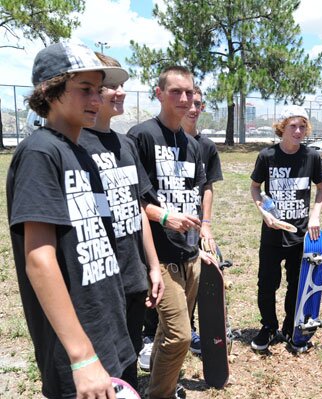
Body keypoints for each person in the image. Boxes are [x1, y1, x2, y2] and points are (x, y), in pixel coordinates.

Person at [6, 42, 133, 398]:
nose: (97, 98)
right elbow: (39, 259)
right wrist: (81, 357)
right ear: (50, 91)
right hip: (77, 350)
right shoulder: (40, 152)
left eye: (99, 89)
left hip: (107, 331)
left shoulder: (81, 153)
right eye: (84, 89)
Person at [127, 65, 216, 399]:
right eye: (176, 91)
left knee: (171, 332)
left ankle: (165, 383)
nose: (184, 98)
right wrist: (164, 217)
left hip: (188, 254)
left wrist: (200, 243)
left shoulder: (192, 146)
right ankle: (159, 393)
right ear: (159, 93)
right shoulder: (142, 136)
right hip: (158, 254)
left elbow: (194, 200)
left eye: (189, 92)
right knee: (179, 334)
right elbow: (132, 202)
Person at [78, 53, 165, 391]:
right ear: (92, 93)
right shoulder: (72, 145)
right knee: (100, 368)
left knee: (128, 362)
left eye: (122, 86)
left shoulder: (125, 144)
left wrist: (153, 266)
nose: (121, 93)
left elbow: (138, 207)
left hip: (132, 276)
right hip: (97, 282)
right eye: (112, 86)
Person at [249, 105, 322, 353]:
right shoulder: (267, 156)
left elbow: (321, 189)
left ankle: (290, 326)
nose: (298, 130)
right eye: (293, 125)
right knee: (267, 284)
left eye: (303, 126)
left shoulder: (311, 157)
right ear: (282, 127)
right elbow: (255, 188)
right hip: (272, 234)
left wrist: (314, 216)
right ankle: (268, 327)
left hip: (300, 235)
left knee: (297, 283)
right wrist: (264, 213)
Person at [180, 85, 224, 354]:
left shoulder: (207, 147)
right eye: (190, 103)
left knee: (196, 276)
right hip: (166, 223)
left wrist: (205, 224)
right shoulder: (162, 140)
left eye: (199, 104)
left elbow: (207, 187)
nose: (194, 109)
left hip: (194, 225)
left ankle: (192, 329)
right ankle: (151, 335)